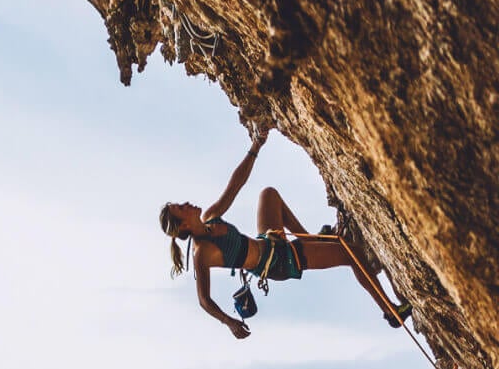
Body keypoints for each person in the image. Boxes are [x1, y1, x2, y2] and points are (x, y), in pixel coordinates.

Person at [159, 143, 411, 339]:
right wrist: (230, 322)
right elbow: (204, 300)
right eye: (181, 207)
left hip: (269, 242)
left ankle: (312, 239)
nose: (187, 203)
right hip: (278, 261)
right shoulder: (202, 252)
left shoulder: (211, 217)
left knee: (268, 195)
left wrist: (255, 147)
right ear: (183, 225)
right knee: (351, 253)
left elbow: (235, 185)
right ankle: (390, 310)